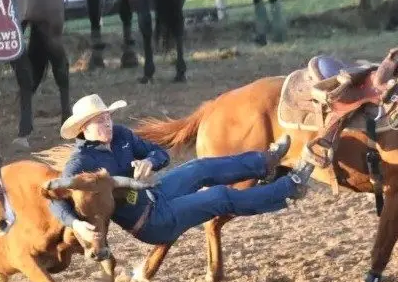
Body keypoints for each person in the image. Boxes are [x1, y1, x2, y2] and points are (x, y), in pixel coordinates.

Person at [48, 94, 318, 248]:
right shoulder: (80, 163)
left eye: (107, 117)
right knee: (219, 196)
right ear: (84, 129)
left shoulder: (121, 135)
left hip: (156, 193)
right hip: (152, 222)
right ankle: (289, 188)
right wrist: (76, 224)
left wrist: (149, 162)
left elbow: (160, 153)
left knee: (200, 166)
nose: (107, 124)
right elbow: (55, 200)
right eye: (99, 121)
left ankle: (265, 161)